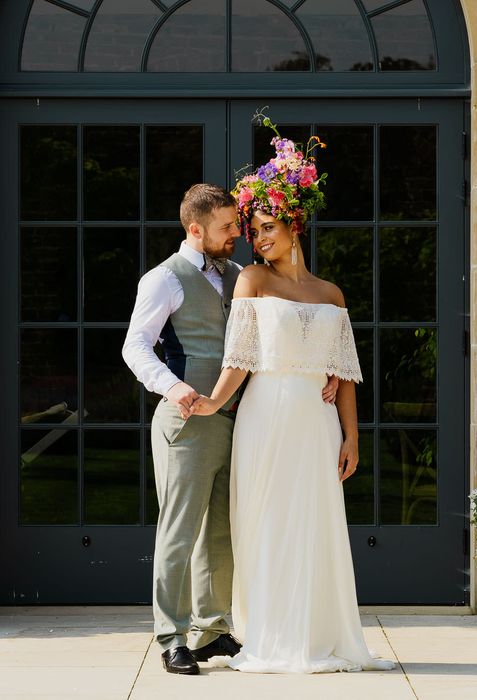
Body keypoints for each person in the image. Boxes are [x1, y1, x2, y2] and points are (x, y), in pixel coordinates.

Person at [190, 127, 395, 673]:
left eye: (267, 229)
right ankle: (270, 635)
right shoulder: (252, 280)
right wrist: (212, 402)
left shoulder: (331, 294)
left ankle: (318, 634)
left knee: (316, 525)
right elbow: (240, 357)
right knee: (268, 523)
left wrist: (352, 435)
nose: (258, 240)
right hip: (267, 415)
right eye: (253, 232)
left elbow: (344, 373)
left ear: (294, 224)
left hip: (317, 419)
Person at [122, 183, 339, 675]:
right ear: (195, 229)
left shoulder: (241, 274)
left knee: (221, 532)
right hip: (186, 422)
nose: (236, 236)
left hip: (238, 421)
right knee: (179, 531)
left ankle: (212, 630)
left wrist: (319, 369)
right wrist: (172, 387)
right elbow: (135, 346)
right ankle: (171, 636)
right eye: (226, 228)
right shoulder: (164, 279)